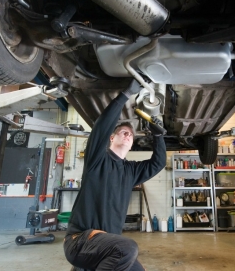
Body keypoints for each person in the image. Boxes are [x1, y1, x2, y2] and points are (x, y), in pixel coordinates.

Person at [64, 79, 167, 271]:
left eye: (131, 135)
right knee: (127, 249)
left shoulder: (131, 171)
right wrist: (125, 95)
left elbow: (158, 163)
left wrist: (159, 137)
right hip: (81, 241)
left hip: (107, 247)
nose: (128, 135)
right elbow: (101, 127)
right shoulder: (97, 159)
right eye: (123, 132)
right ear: (112, 138)